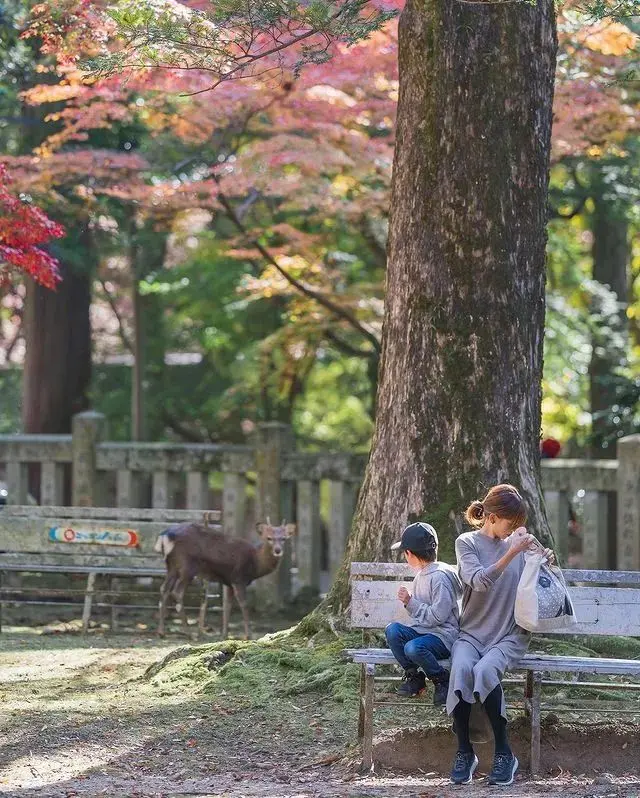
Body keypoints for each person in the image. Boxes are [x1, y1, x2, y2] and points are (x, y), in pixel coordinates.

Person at [447, 484, 553, 786]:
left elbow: (542, 577)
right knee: (463, 668)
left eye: (520, 524)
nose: (516, 529)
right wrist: (512, 552)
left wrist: (544, 558)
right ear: (492, 517)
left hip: (510, 634)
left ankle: (505, 754)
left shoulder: (519, 542)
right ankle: (465, 752)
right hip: (472, 632)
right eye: (512, 523)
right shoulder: (466, 543)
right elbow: (480, 581)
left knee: (485, 669)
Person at [385, 522, 462, 705]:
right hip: (425, 632)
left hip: (443, 637)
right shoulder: (423, 573)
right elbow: (421, 616)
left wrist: (411, 603)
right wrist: (410, 602)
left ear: (410, 554)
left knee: (413, 648)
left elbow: (438, 617)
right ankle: (414, 677)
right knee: (393, 631)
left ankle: (441, 680)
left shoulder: (440, 577)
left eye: (404, 553)